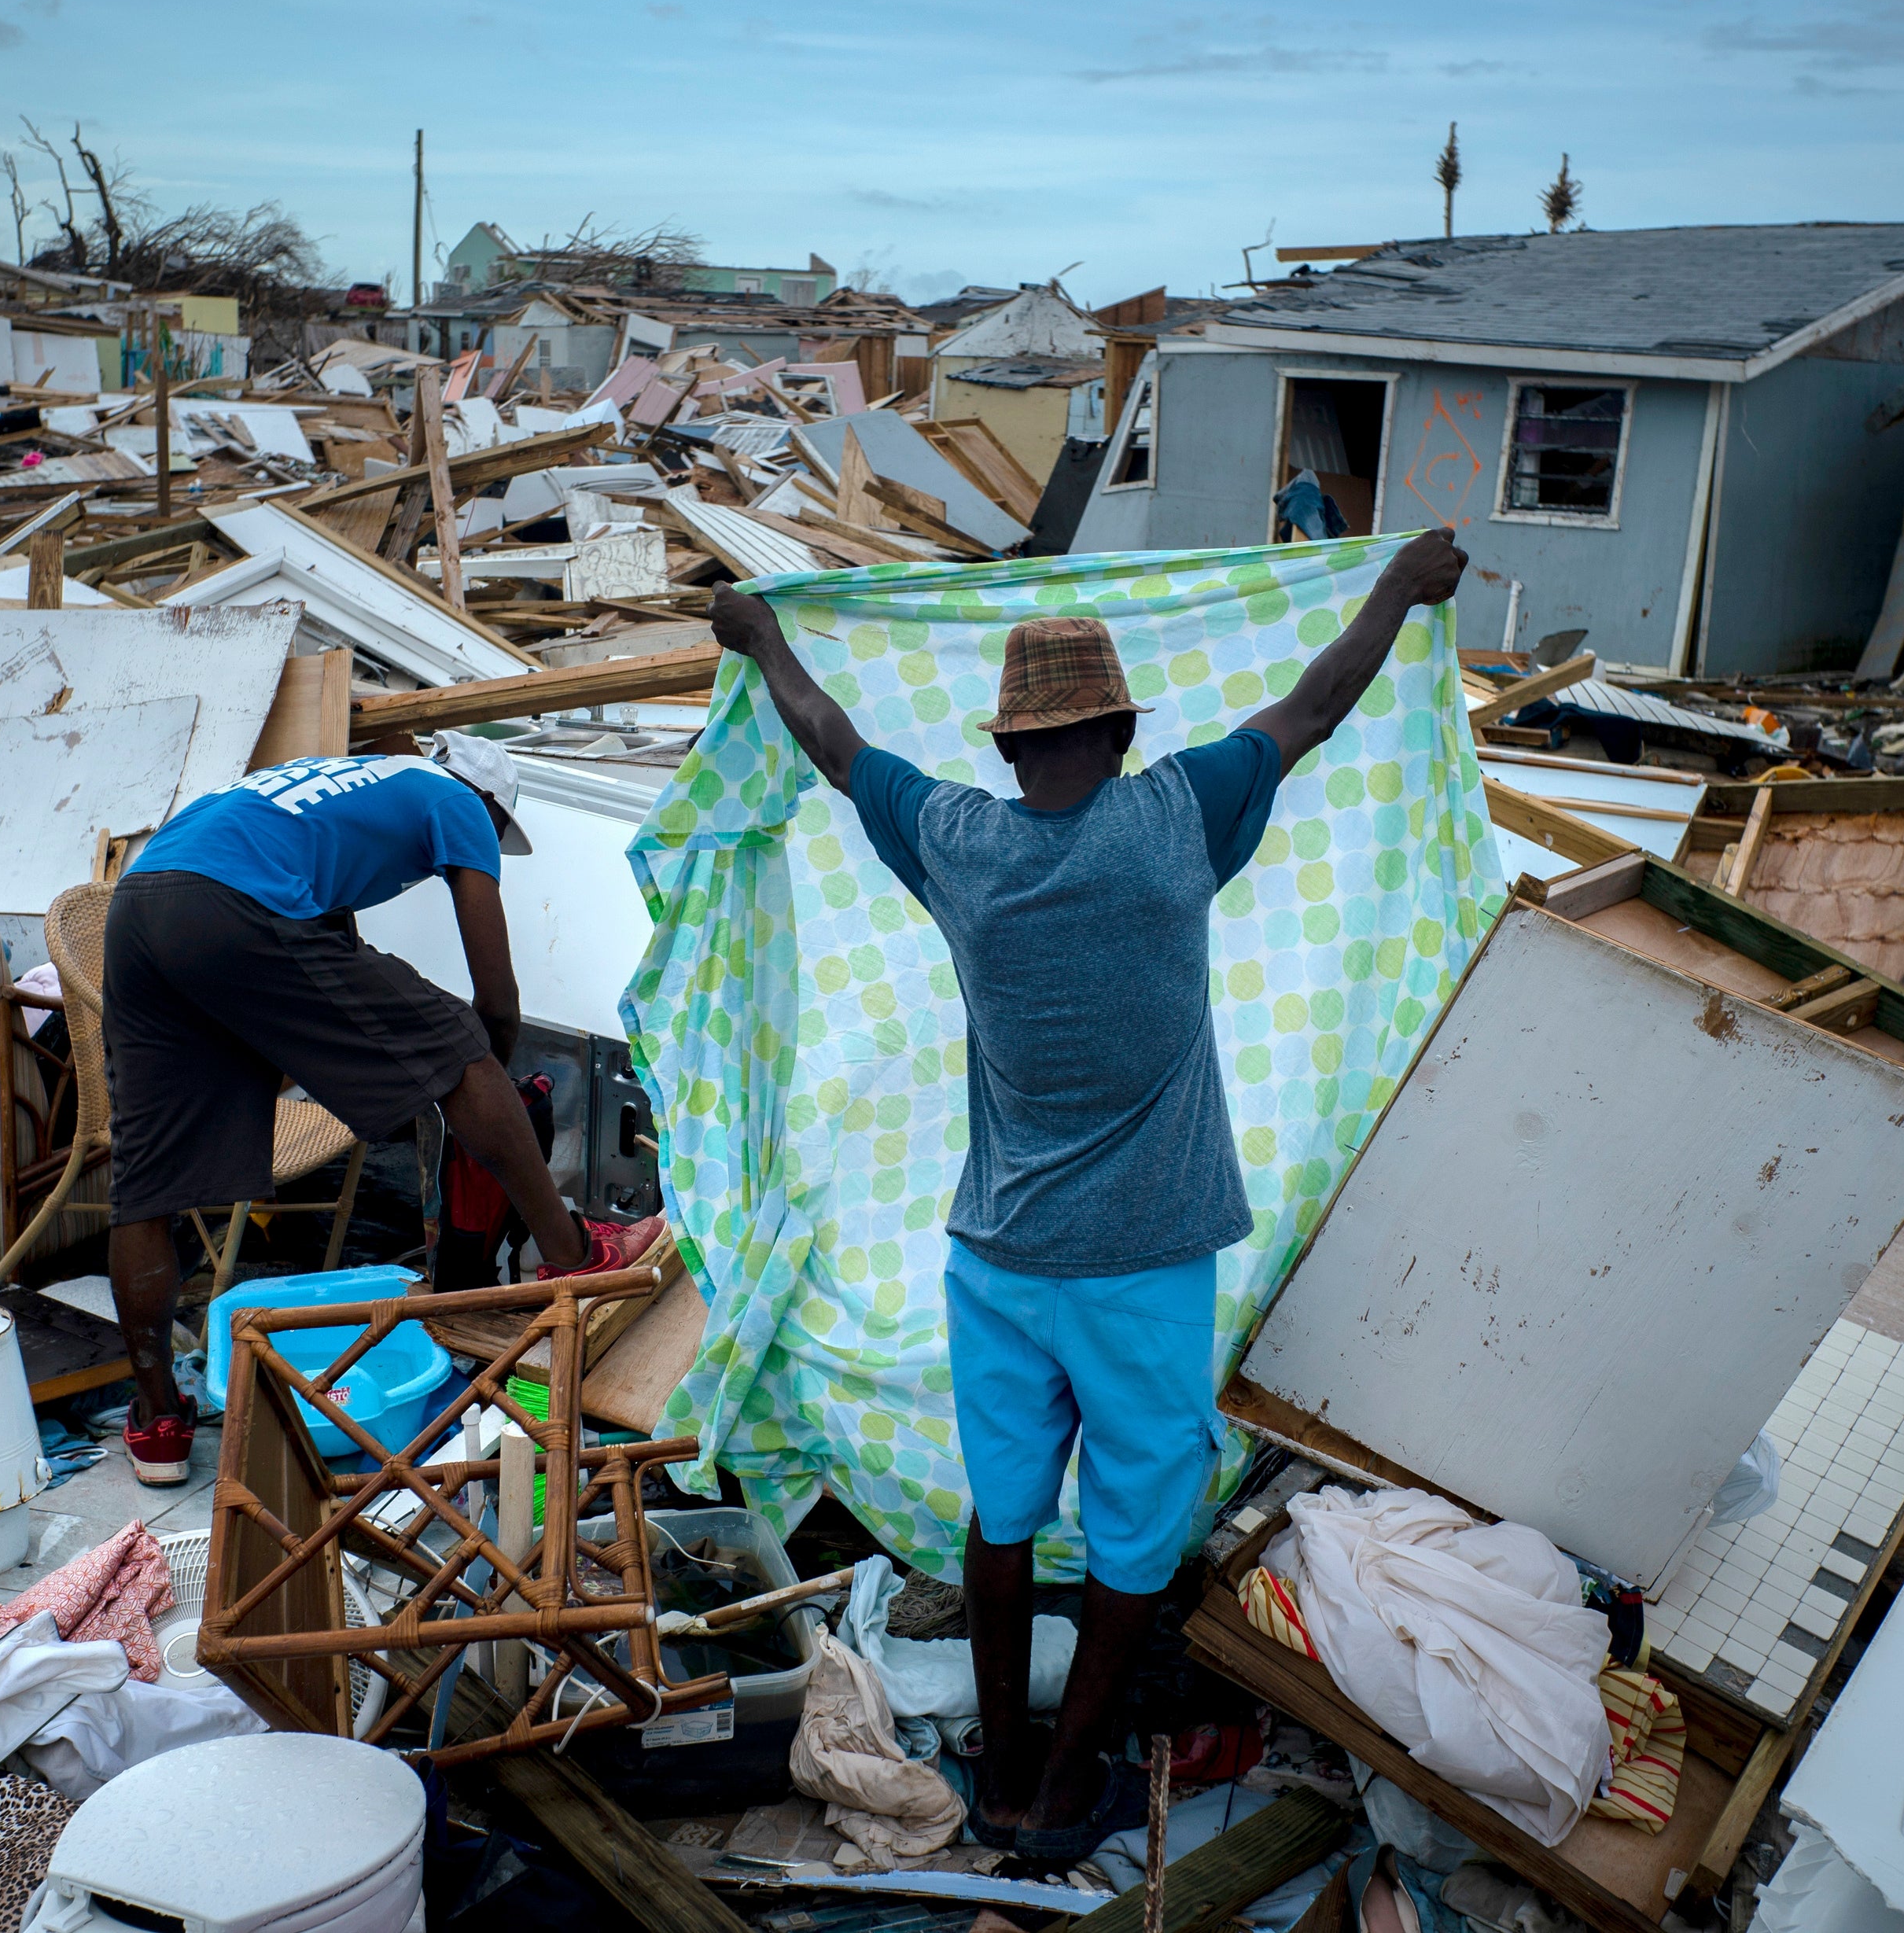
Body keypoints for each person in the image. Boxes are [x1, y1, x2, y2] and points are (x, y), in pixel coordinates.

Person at [704, 528, 1469, 1862]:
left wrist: (764, 637)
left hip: (995, 1262)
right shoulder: (1179, 819)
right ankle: (1065, 1789)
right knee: (1134, 1533)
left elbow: (832, 745)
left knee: (1001, 1522)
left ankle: (1001, 1772)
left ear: (1006, 750)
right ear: (1118, 730)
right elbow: (1313, 708)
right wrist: (1400, 587)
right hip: (1146, 1268)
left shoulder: (954, 843)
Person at [98, 731, 662, 1485]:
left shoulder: (341, 784)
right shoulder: (457, 800)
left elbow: (324, 984)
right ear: (488, 802)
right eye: (498, 835)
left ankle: (160, 1418)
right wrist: (480, 1070)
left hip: (140, 904)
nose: (488, 847)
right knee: (460, 1040)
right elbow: (494, 993)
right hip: (231, 900)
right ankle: (574, 1252)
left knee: (146, 1180)